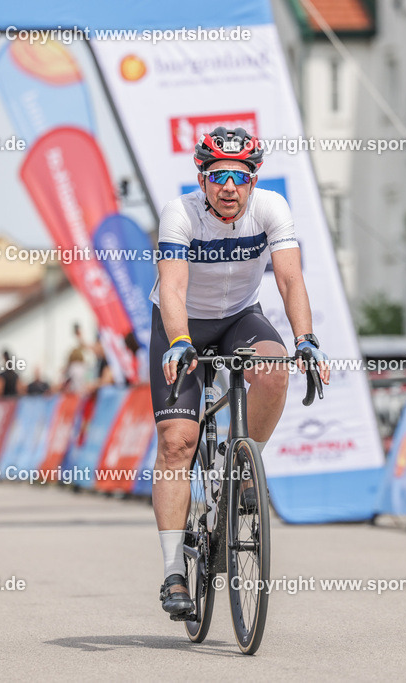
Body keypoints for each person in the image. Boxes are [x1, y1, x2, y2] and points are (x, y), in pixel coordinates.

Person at [149, 126, 330, 616]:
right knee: (177, 443)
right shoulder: (179, 214)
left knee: (274, 370)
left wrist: (306, 340)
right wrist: (181, 342)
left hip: (238, 318)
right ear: (202, 178)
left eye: (240, 177)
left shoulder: (270, 208)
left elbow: (290, 279)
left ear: (253, 180)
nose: (229, 187)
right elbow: (173, 287)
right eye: (218, 176)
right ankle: (172, 571)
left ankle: (244, 466)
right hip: (181, 322)